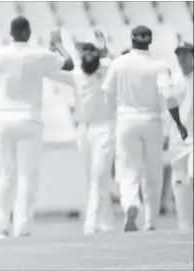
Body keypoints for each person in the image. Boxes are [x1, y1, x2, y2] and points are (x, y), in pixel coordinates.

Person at [0, 16, 74, 240]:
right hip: (30, 119)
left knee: (6, 174)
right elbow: (69, 64)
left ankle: (0, 225)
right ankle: (22, 226)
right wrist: (57, 45)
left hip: (5, 119)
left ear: (11, 32)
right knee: (27, 175)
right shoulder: (38, 54)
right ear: (28, 32)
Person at [101, 25, 188, 232]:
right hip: (152, 120)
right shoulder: (158, 66)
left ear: (132, 40)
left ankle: (131, 203)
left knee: (127, 169)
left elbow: (107, 94)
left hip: (126, 120)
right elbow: (169, 97)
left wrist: (117, 114)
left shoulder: (118, 64)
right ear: (149, 41)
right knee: (153, 172)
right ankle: (151, 221)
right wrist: (178, 123)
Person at [48, 30, 117, 235]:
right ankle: (106, 222)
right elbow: (50, 71)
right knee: (93, 178)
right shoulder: (76, 74)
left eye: (91, 49)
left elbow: (124, 64)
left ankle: (91, 221)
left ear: (98, 52)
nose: (87, 53)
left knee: (99, 174)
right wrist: (56, 49)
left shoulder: (108, 69)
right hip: (84, 130)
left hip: (104, 126)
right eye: (84, 49)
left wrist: (107, 52)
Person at [169, 41, 193, 230]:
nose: (182, 58)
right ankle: (184, 226)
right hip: (177, 140)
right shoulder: (173, 81)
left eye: (186, 54)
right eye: (180, 55)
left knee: (192, 177)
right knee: (179, 183)